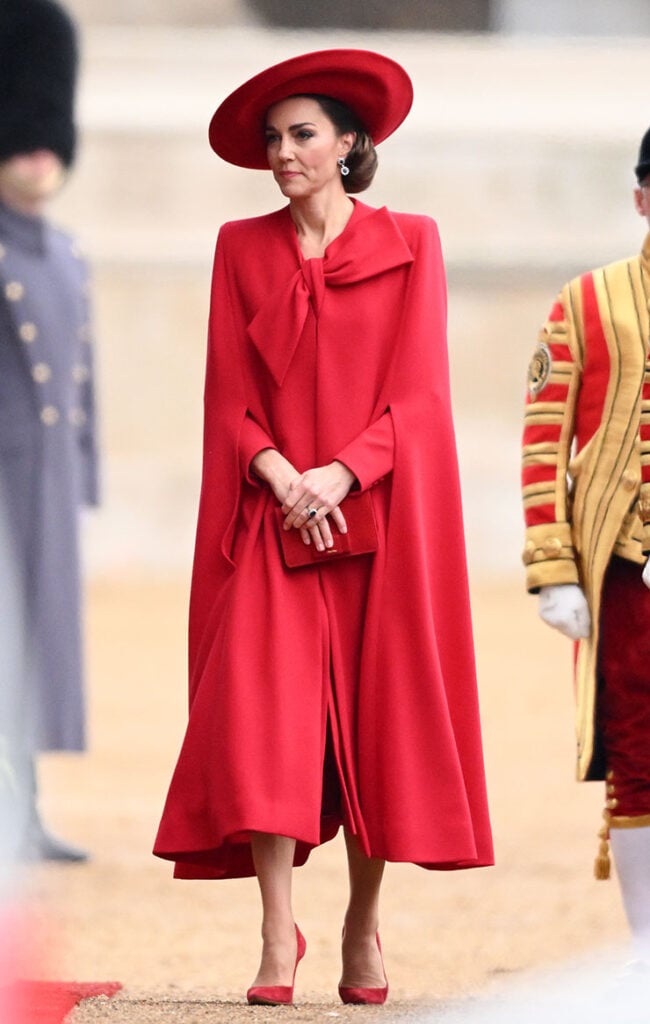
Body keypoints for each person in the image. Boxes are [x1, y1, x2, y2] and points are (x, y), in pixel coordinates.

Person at [154, 49, 493, 1005]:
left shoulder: (415, 241)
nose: (283, 152)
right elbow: (229, 396)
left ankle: (361, 925)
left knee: (377, 730)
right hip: (273, 517)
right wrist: (281, 477)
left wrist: (340, 472)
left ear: (350, 143)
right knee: (262, 719)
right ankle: (276, 932)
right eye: (273, 138)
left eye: (302, 134)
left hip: (377, 518)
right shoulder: (240, 246)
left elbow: (421, 397)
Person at [521, 125, 650, 965]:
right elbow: (543, 439)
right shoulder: (586, 300)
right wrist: (552, 572)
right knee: (639, 756)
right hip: (626, 572)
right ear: (642, 197)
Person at [0, 0, 99, 862]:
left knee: (37, 645)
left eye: (45, 139)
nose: (35, 154)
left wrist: (85, 478)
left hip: (48, 485)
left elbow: (83, 385)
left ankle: (24, 809)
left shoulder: (66, 254)